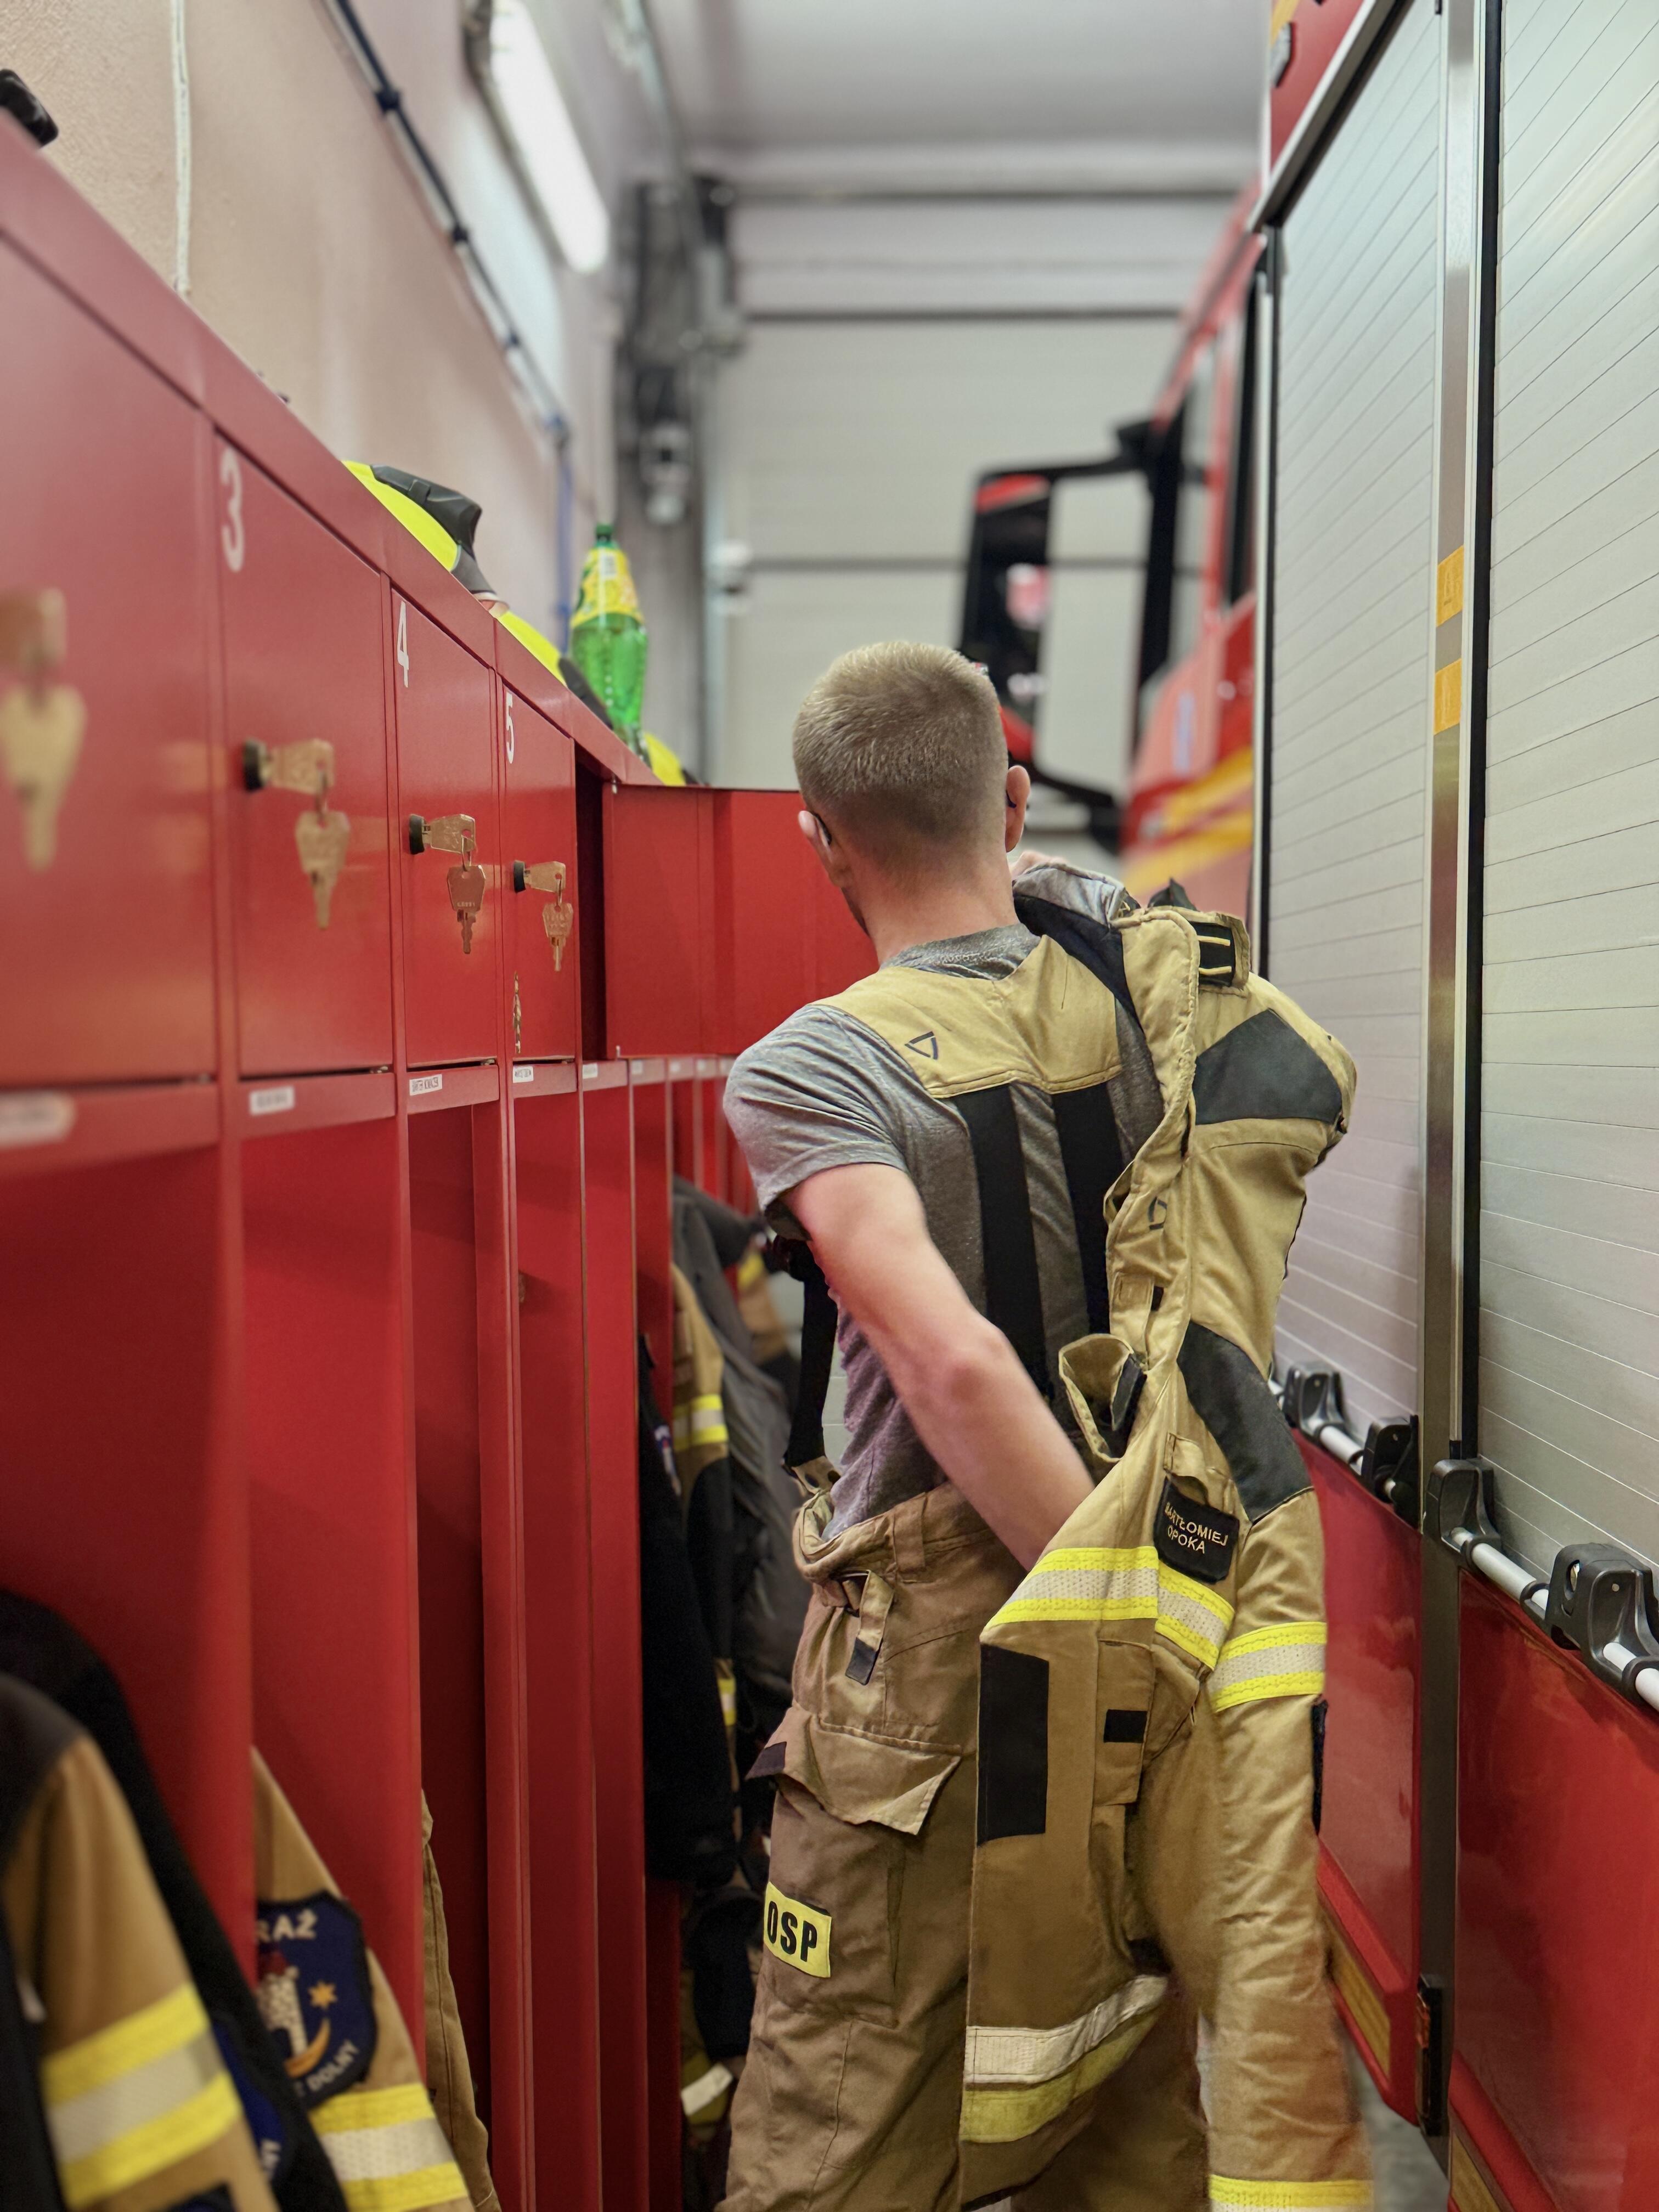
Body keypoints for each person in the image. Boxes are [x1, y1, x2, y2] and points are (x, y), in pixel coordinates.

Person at [718, 641, 1210, 2211]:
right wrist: (1147, 1640)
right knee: (1119, 2102)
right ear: (1011, 798)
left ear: (816, 837)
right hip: (1162, 1598)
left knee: (837, 2126)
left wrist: (1096, 1619)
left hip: (942, 1668)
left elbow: (951, 1365)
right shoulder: (1151, 1001)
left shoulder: (813, 1066)